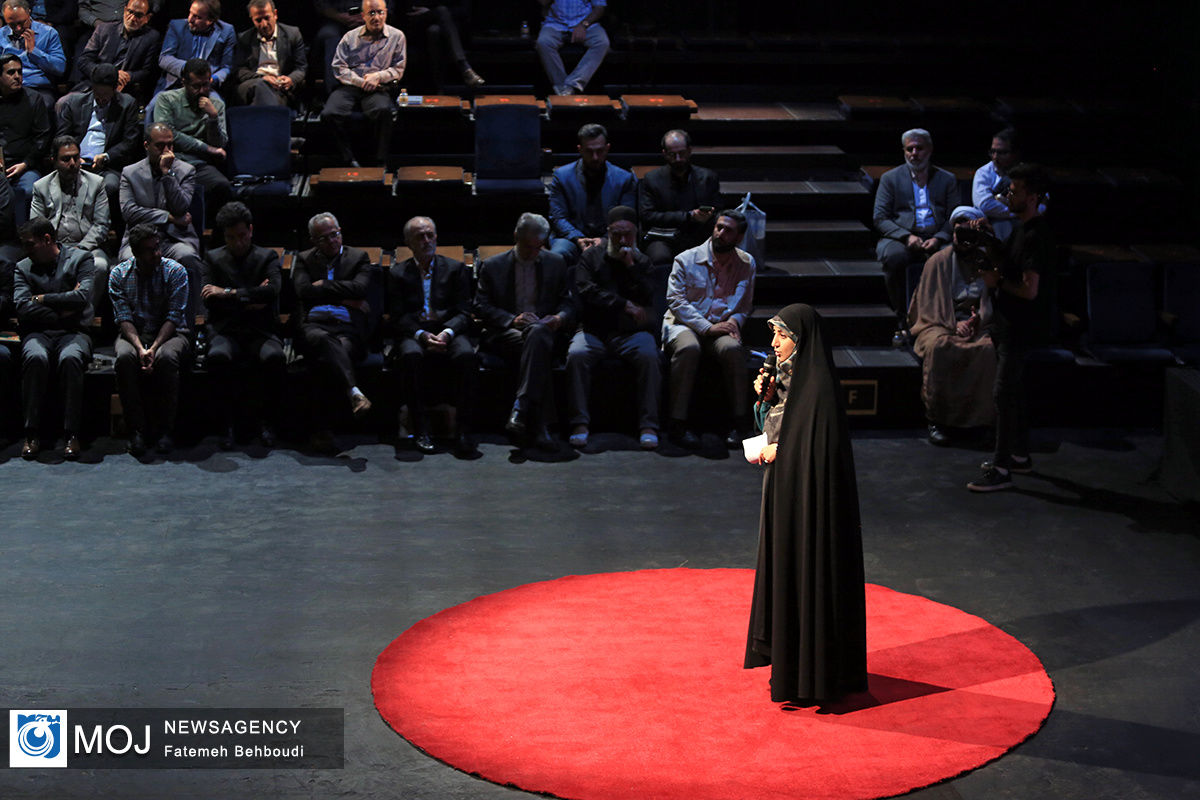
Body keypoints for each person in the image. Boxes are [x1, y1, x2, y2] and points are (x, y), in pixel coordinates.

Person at [745, 303, 868, 704]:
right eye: (774, 335)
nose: (775, 344)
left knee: (806, 567)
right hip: (784, 491)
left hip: (808, 499)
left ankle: (815, 670)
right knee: (785, 570)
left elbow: (813, 445)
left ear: (801, 340)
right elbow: (775, 428)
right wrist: (763, 403)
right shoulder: (784, 379)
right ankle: (790, 663)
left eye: (782, 336)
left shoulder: (817, 387)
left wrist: (781, 450)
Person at [969, 163, 1056, 492]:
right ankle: (1020, 456)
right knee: (1013, 391)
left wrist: (998, 281)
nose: (1008, 195)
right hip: (1010, 324)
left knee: (1003, 393)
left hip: (1022, 327)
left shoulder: (1037, 235)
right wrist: (988, 237)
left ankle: (1001, 467)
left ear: (1032, 197)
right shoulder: (1021, 228)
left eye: (1015, 191)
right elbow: (1009, 260)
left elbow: (1029, 289)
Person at [474, 211, 576, 451]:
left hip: (545, 331)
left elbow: (568, 303)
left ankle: (521, 408)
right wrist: (512, 319)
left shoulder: (555, 262)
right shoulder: (492, 265)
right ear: (515, 236)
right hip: (506, 334)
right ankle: (542, 427)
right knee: (537, 343)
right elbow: (480, 306)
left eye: (537, 248)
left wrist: (559, 318)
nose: (532, 253)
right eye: (528, 247)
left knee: (538, 336)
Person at [566, 205, 661, 450]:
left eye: (627, 234)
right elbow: (585, 291)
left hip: (630, 332)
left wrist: (631, 267)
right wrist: (623, 304)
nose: (621, 240)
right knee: (577, 355)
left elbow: (650, 296)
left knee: (649, 355)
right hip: (594, 330)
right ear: (608, 232)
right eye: (616, 234)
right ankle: (579, 423)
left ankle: (648, 424)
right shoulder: (591, 257)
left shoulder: (642, 261)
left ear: (635, 234)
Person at [662, 209, 755, 449]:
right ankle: (677, 424)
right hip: (685, 323)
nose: (721, 233)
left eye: (728, 230)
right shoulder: (686, 258)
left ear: (739, 237)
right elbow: (676, 302)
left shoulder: (746, 262)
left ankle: (740, 423)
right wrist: (706, 328)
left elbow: (744, 305)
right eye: (719, 227)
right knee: (689, 348)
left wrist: (735, 322)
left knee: (733, 349)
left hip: (721, 324)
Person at [907, 206, 996, 446]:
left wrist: (979, 319)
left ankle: (981, 422)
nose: (964, 240)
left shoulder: (988, 260)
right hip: (939, 321)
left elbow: (995, 298)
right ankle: (938, 420)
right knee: (940, 346)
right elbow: (926, 305)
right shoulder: (938, 261)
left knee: (989, 349)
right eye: (959, 234)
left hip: (980, 324)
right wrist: (954, 324)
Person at [386, 215, 475, 454]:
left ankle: (462, 430)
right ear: (409, 243)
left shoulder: (455, 269)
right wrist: (422, 335)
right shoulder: (398, 273)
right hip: (415, 332)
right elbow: (398, 317)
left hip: (448, 329)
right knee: (410, 356)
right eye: (420, 236)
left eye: (430, 235)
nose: (426, 240)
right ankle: (422, 427)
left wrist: (446, 333)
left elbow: (465, 312)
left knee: (466, 355)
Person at [201, 200, 283, 449]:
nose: (237, 243)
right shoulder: (213, 258)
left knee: (274, 357)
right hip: (226, 329)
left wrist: (227, 293)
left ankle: (268, 423)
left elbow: (273, 293)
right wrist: (251, 296)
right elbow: (209, 302)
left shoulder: (267, 256)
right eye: (230, 237)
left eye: (241, 236)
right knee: (218, 356)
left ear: (250, 230)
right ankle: (226, 425)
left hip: (260, 329)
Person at [12, 216, 94, 460]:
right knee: (35, 357)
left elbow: (83, 298)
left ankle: (71, 433)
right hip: (39, 332)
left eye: (30, 244)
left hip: (75, 332)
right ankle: (32, 432)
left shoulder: (81, 259)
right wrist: (63, 309)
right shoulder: (22, 267)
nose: (25, 250)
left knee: (71, 358)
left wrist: (43, 298)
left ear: (47, 239)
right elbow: (22, 307)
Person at [292, 211, 373, 452]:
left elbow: (360, 288)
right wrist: (346, 298)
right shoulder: (305, 259)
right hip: (313, 328)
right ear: (313, 241)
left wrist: (325, 286)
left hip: (347, 329)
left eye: (335, 234)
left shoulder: (358, 257)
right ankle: (354, 393)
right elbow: (303, 291)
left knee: (328, 358)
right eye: (324, 238)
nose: (332, 241)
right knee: (324, 342)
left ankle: (322, 430)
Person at [109, 222, 192, 455]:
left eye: (158, 247)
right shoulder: (118, 274)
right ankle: (137, 430)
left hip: (170, 333)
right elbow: (123, 318)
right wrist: (139, 348)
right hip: (134, 332)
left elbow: (174, 317)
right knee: (125, 357)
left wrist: (153, 348)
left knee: (167, 357)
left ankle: (165, 430)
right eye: (149, 250)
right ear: (135, 253)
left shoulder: (175, 271)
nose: (156, 254)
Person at [873, 128, 960, 339]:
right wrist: (906, 236)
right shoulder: (890, 178)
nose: (914, 153)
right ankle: (902, 315)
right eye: (909, 149)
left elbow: (955, 216)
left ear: (929, 150)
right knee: (894, 257)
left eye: (919, 148)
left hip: (936, 236)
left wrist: (939, 238)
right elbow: (880, 217)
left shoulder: (946, 179)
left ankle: (946, 317)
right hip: (901, 237)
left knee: (954, 257)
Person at [118, 122, 204, 316]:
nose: (167, 151)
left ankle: (193, 320)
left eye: (170, 145)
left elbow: (181, 207)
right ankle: (132, 321)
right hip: (139, 241)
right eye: (160, 146)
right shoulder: (130, 173)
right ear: (146, 145)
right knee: (128, 260)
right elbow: (130, 213)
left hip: (174, 239)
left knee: (187, 256)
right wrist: (169, 217)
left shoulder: (186, 170)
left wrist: (168, 174)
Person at [322, 0, 405, 167]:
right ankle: (348, 159)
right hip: (350, 86)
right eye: (371, 13)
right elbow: (339, 68)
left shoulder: (397, 37)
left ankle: (380, 161)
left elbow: (398, 69)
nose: (376, 17)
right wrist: (360, 82)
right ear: (363, 16)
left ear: (386, 13)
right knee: (329, 114)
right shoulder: (349, 37)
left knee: (384, 110)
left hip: (377, 88)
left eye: (380, 12)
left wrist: (378, 76)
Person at [56, 62, 141, 216]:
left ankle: (99, 226)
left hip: (106, 166)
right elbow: (62, 137)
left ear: (115, 88)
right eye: (97, 95)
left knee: (110, 185)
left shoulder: (127, 104)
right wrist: (73, 157)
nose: (101, 100)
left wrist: (106, 157)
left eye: (106, 96)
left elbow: (130, 141)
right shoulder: (74, 103)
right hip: (75, 162)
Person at [152, 56, 232, 218]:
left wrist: (213, 118)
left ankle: (215, 238)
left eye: (206, 85)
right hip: (171, 161)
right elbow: (169, 134)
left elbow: (220, 144)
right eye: (196, 86)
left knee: (222, 186)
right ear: (184, 83)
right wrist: (205, 148)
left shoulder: (216, 105)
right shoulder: (166, 99)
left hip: (199, 165)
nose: (202, 90)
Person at [547, 122, 636, 265]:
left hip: (611, 238)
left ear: (607, 148)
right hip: (572, 238)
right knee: (558, 254)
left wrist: (606, 239)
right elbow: (558, 217)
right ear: (580, 150)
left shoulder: (624, 179)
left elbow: (626, 217)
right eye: (589, 151)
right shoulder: (562, 176)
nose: (595, 157)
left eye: (600, 151)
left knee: (629, 253)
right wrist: (578, 238)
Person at [636, 128, 721, 266]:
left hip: (697, 234)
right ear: (664, 153)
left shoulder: (707, 177)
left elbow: (717, 209)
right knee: (659, 256)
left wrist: (707, 215)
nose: (678, 159)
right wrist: (688, 216)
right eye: (672, 154)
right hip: (662, 236)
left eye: (681, 153)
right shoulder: (652, 179)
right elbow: (647, 216)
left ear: (689, 151)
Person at [31, 135, 110, 279]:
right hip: (54, 249)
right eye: (66, 159)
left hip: (87, 246)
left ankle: (87, 302)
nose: (73, 163)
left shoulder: (96, 183)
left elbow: (101, 225)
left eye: (76, 157)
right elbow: (37, 226)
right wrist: (55, 250)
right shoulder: (41, 187)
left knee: (99, 265)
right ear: (53, 161)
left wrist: (80, 248)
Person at [74, 0, 161, 105]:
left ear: (147, 18)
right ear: (124, 11)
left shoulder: (152, 37)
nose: (132, 19)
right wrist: (109, 74)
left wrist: (129, 76)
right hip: (95, 84)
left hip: (125, 88)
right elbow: (84, 61)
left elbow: (147, 71)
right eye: (130, 12)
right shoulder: (104, 29)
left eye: (139, 15)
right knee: (65, 102)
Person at [0, 54, 49, 226]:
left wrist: (26, 164)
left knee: (28, 190)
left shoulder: (34, 99)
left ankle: (24, 240)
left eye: (19, 72)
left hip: (25, 165)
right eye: (11, 73)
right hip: (0, 165)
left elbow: (42, 138)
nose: (17, 76)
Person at [231, 0, 307, 108]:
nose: (264, 24)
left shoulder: (292, 34)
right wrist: (262, 78)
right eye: (258, 20)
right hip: (252, 84)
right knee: (261, 87)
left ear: (275, 14)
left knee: (267, 98)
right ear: (251, 19)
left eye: (267, 18)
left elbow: (301, 67)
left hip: (279, 87)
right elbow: (239, 70)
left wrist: (290, 79)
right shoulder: (244, 38)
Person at [155, 0, 236, 96]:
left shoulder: (227, 31)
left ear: (210, 20)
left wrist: (213, 78)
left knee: (217, 107)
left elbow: (226, 67)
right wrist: (190, 69)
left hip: (207, 88)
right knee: (154, 107)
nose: (190, 19)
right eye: (190, 13)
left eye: (197, 17)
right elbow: (164, 58)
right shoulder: (176, 26)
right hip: (177, 84)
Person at [401, 2, 483, 93]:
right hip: (418, 22)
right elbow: (409, 8)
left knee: (434, 31)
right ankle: (464, 67)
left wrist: (434, 12)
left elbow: (463, 11)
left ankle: (438, 88)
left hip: (445, 24)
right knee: (441, 11)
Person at [0, 0, 65, 111]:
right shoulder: (1, 35)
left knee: (39, 105)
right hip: (7, 88)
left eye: (22, 22)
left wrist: (34, 51)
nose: (18, 29)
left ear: (29, 12)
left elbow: (59, 68)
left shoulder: (49, 33)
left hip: (37, 88)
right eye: (12, 25)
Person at [535, 0, 608, 96]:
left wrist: (584, 24)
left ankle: (573, 84)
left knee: (602, 42)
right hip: (556, 23)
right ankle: (563, 88)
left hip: (585, 23)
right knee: (543, 42)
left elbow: (599, 7)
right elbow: (543, 2)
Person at [972, 127, 1021, 241]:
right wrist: (1017, 212)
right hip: (990, 221)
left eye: (1002, 152)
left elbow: (1041, 204)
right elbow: (985, 205)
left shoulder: (1025, 172)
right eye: (993, 151)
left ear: (1015, 154)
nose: (995, 157)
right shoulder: (983, 173)